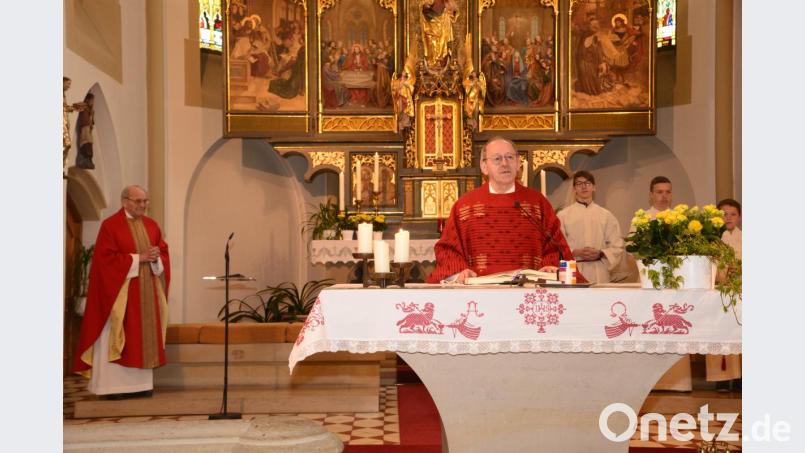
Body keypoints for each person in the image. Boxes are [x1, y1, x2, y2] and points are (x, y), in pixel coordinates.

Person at [427, 137, 572, 283]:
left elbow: (555, 245)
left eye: (510, 157)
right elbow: (449, 249)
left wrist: (549, 266)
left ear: (517, 164)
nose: (504, 163)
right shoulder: (465, 205)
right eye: (497, 158)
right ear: (484, 166)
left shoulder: (537, 203)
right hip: (478, 292)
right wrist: (459, 272)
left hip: (529, 291)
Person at [74, 185, 170, 399]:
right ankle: (111, 388)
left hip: (146, 294)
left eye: (145, 201)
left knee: (143, 336)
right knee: (117, 334)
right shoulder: (111, 226)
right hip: (119, 296)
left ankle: (140, 386)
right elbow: (105, 261)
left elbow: (163, 253)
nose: (143, 205)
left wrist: (157, 257)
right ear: (125, 201)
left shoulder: (152, 226)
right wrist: (138, 258)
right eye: (138, 201)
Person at [557, 171, 624, 284]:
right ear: (574, 189)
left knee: (600, 301)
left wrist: (601, 253)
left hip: (599, 270)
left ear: (594, 187)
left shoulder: (606, 215)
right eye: (579, 184)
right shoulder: (563, 215)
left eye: (588, 183)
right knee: (572, 301)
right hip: (571, 269)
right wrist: (574, 252)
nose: (584, 186)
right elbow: (556, 245)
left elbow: (617, 246)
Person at [706, 198, 742, 390]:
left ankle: (740, 377)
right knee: (718, 333)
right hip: (717, 292)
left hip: (740, 291)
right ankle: (720, 377)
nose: (728, 218)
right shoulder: (710, 240)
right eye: (723, 214)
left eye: (733, 214)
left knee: (739, 332)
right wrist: (723, 272)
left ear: (740, 217)